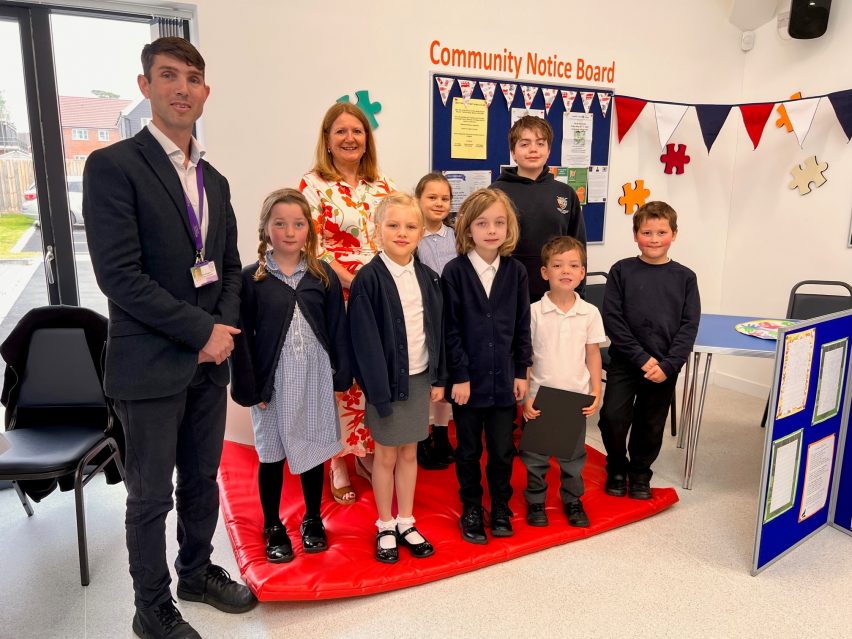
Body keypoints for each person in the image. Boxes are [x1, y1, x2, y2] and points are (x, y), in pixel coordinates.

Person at [83, 37, 254, 639]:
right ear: (145, 87)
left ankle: (196, 571)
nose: (182, 88)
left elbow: (230, 267)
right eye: (168, 76)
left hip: (210, 364)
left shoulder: (216, 180)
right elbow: (119, 277)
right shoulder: (113, 166)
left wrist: (223, 331)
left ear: (206, 92)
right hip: (151, 363)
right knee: (150, 496)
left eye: (193, 79)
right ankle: (151, 608)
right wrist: (203, 330)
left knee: (202, 480)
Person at [230, 189, 351, 564]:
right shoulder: (251, 279)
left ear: (308, 230)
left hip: (314, 377)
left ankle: (312, 518)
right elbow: (242, 338)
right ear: (266, 228)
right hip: (273, 384)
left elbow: (338, 327)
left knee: (313, 450)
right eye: (279, 223)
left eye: (298, 224)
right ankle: (272, 524)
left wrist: (341, 375)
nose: (289, 231)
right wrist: (251, 388)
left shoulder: (322, 274)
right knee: (272, 455)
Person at [300, 102, 397, 504]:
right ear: (327, 139)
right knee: (339, 377)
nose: (350, 138)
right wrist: (351, 280)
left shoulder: (383, 186)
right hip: (336, 294)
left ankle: (367, 453)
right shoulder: (313, 185)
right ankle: (337, 460)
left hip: (379, 294)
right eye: (340, 131)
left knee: (372, 374)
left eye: (357, 131)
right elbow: (312, 244)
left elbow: (396, 234)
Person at [347, 193, 446, 563]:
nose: (401, 233)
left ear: (421, 232)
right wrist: (377, 391)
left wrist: (438, 377)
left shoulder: (429, 278)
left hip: (420, 380)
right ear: (377, 231)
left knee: (410, 453)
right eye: (393, 225)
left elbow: (436, 331)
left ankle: (407, 519)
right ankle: (385, 523)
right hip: (385, 385)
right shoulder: (368, 280)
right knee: (386, 454)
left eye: (409, 226)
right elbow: (363, 340)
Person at [442, 188, 532, 544]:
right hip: (468, 383)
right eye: (482, 223)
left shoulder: (516, 272)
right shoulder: (454, 272)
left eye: (499, 222)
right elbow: (450, 329)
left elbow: (522, 325)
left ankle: (499, 505)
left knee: (501, 450)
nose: (491, 230)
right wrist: (459, 376)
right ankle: (471, 508)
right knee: (467, 451)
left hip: (503, 383)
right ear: (468, 229)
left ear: (508, 228)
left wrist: (521, 371)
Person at [598, 201, 700, 500]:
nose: (654, 239)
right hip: (626, 362)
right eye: (647, 232)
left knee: (650, 423)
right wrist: (642, 358)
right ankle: (617, 466)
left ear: (674, 234)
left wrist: (668, 365)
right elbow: (613, 320)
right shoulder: (621, 271)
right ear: (635, 235)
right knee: (613, 417)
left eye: (661, 232)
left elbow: (689, 325)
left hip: (664, 367)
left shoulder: (685, 277)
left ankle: (640, 473)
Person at [521, 236, 605, 529]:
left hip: (575, 398)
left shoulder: (590, 313)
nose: (565, 271)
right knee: (535, 457)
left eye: (573, 265)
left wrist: (596, 390)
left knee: (573, 457)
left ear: (582, 272)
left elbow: (593, 353)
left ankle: (572, 499)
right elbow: (527, 357)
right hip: (540, 396)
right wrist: (526, 397)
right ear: (545, 272)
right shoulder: (532, 313)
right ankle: (535, 501)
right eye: (557, 265)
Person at [491, 115, 586, 303]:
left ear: (549, 150)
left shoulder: (565, 193)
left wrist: (579, 293)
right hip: (506, 291)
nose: (533, 149)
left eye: (540, 144)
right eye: (524, 144)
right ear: (512, 151)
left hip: (556, 292)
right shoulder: (496, 193)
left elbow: (578, 246)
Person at [413, 172, 456, 471]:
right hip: (423, 319)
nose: (439, 203)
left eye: (444, 198)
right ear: (418, 200)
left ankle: (442, 434)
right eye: (432, 197)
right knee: (424, 380)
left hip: (452, 318)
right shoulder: (412, 237)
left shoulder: (457, 236)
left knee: (446, 379)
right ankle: (420, 436)